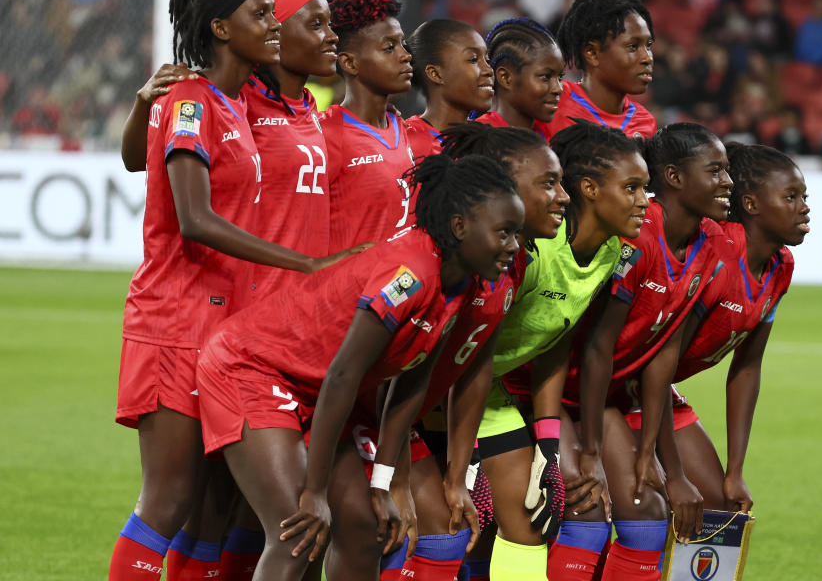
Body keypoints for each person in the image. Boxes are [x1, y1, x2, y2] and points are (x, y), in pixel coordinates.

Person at [108, 0, 364, 581]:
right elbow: (193, 218)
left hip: (229, 328)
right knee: (167, 501)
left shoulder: (227, 102)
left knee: (216, 509)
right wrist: (307, 263)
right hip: (175, 320)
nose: (272, 24)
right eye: (260, 14)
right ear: (220, 26)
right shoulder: (195, 101)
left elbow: (145, 159)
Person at [196, 154, 525, 581]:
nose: (514, 246)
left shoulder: (462, 282)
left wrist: (381, 482)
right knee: (298, 531)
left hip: (315, 388)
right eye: (504, 232)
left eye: (516, 234)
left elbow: (413, 383)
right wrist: (314, 491)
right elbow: (343, 375)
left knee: (363, 525)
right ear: (460, 227)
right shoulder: (411, 273)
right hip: (253, 369)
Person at [372, 122, 570, 581]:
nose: (561, 197)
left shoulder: (511, 261)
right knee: (411, 529)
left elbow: (476, 364)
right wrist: (394, 479)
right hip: (367, 413)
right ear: (501, 186)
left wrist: (458, 472)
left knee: (457, 524)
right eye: (548, 183)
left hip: (416, 414)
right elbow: (392, 379)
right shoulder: (441, 263)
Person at [546, 123, 733, 580]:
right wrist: (590, 450)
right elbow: (596, 349)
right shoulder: (635, 237)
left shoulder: (708, 242)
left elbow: (662, 355)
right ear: (673, 177)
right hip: (553, 392)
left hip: (610, 396)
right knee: (587, 507)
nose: (728, 181)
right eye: (716, 170)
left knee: (649, 512)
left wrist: (657, 457)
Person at [473, 120, 651, 580]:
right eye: (632, 187)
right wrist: (467, 452)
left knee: (533, 519)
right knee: (438, 528)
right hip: (433, 391)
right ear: (589, 188)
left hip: (481, 390)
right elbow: (461, 349)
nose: (644, 201)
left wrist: (548, 449)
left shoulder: (612, 252)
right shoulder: (529, 252)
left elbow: (555, 344)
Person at [658, 143, 807, 518]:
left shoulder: (780, 266)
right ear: (752, 205)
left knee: (718, 509)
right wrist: (673, 474)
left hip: (657, 392)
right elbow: (657, 358)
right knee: (645, 509)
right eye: (791, 197)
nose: (804, 207)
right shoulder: (719, 256)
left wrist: (735, 472)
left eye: (804, 196)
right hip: (624, 387)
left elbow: (747, 366)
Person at [322, 0, 417, 251]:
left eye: (402, 44)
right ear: (350, 63)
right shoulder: (325, 135)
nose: (405, 55)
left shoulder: (405, 129)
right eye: (389, 48)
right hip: (351, 290)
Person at [544, 0, 657, 140]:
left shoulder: (646, 123)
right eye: (633, 46)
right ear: (593, 53)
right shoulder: (550, 103)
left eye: (648, 45)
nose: (647, 58)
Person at [404, 19, 495, 158]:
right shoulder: (406, 143)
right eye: (473, 59)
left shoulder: (496, 141)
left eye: (487, 60)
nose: (489, 70)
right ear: (436, 74)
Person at [475, 17, 565, 131]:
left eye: (560, 77)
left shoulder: (558, 135)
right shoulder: (477, 142)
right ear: (506, 78)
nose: (559, 89)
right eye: (545, 77)